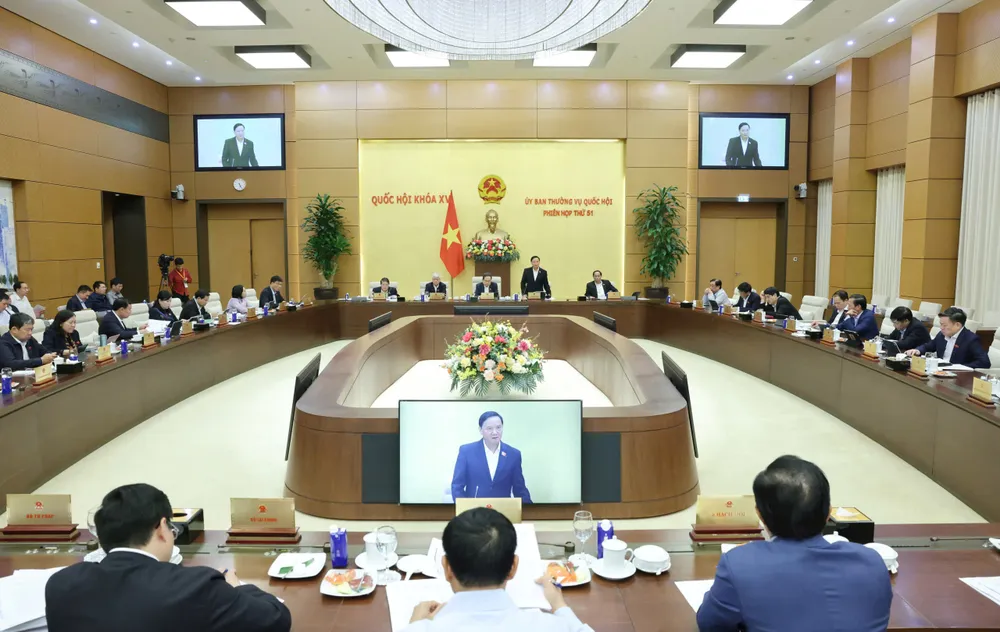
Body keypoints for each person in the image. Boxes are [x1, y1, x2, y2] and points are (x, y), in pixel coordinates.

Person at [45, 483, 291, 632]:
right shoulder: (194, 586)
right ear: (162, 528)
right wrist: (238, 589)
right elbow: (275, 619)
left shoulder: (61, 584)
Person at [696, 456, 892, 631]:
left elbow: (710, 624)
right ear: (827, 514)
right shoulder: (873, 562)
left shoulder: (740, 565)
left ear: (760, 517)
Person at [404, 507, 591, 632]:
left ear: (447, 568)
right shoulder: (553, 628)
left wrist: (416, 626)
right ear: (513, 567)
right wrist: (560, 606)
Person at [451, 411, 531, 503]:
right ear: (480, 430)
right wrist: (464, 508)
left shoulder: (513, 454)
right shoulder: (467, 451)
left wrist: (531, 511)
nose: (495, 432)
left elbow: (520, 488)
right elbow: (457, 486)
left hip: (502, 511)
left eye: (498, 428)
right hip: (474, 512)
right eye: (489, 428)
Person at [906, 307, 991, 368]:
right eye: (940, 324)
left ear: (957, 325)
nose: (941, 328)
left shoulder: (971, 339)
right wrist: (917, 350)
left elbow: (984, 362)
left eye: (944, 325)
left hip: (958, 378)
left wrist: (958, 367)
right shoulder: (941, 334)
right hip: (939, 372)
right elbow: (929, 346)